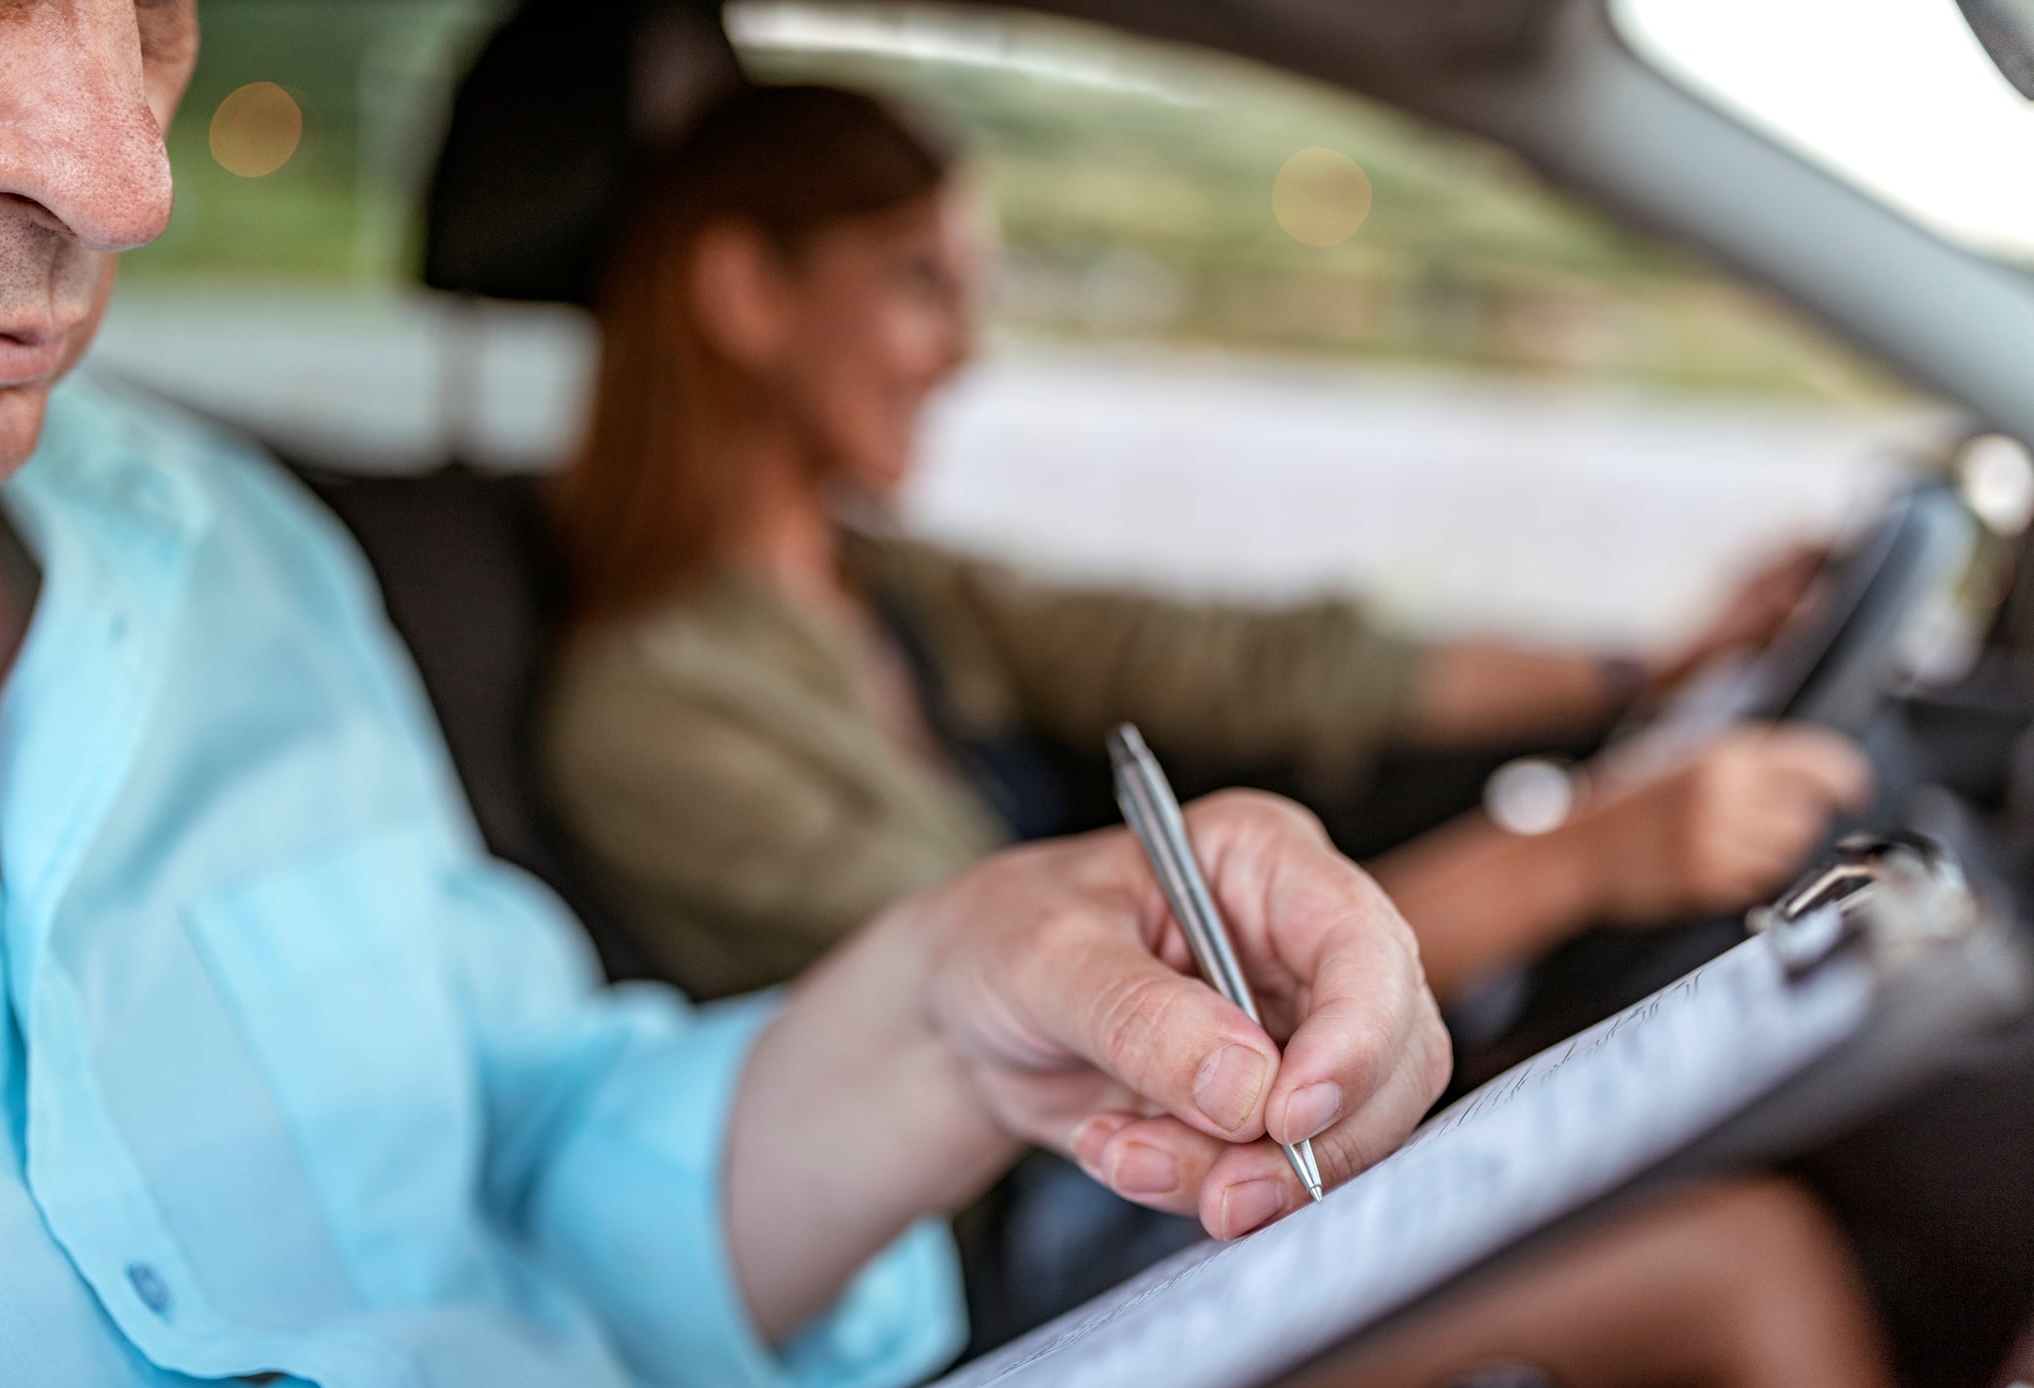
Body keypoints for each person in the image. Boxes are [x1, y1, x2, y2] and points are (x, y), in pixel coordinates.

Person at [0, 4, 1451, 1388]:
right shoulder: (658, 687)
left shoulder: (237, 554)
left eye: (147, 9)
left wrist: (962, 995)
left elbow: (530, 1165)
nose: (129, 182)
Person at [536, 83, 1872, 1005]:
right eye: (918, 283)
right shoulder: (652, 714)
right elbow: (1072, 999)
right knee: (1751, 1255)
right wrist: (1582, 854)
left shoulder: (886, 584)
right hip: (1042, 1240)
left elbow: (1235, 662)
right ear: (744, 293)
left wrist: (1648, 667)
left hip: (1158, 1143)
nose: (964, 351)